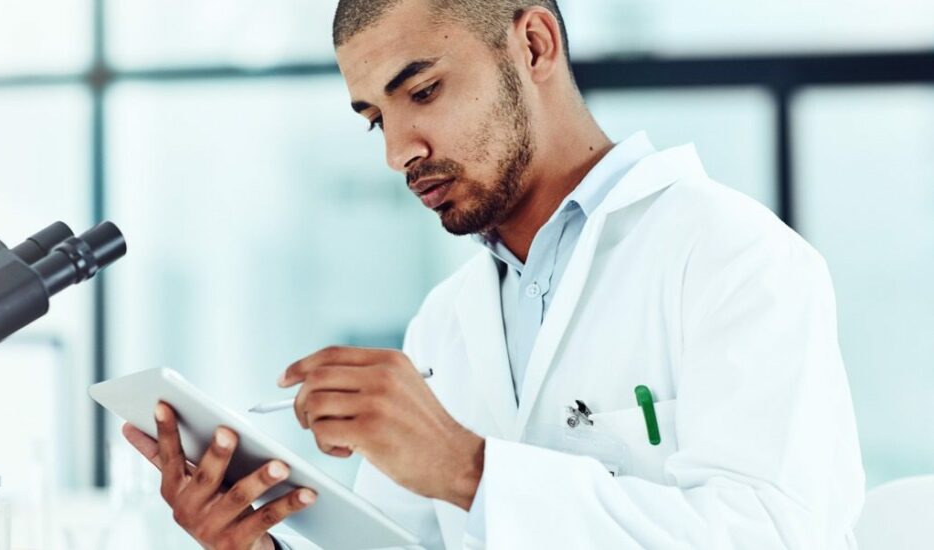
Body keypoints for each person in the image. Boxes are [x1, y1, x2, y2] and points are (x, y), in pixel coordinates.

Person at [122, 1, 865, 548]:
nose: (398, 152)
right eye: (375, 118)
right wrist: (259, 544)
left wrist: (470, 469)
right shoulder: (446, 322)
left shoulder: (735, 257)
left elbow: (777, 534)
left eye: (422, 92)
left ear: (534, 44)